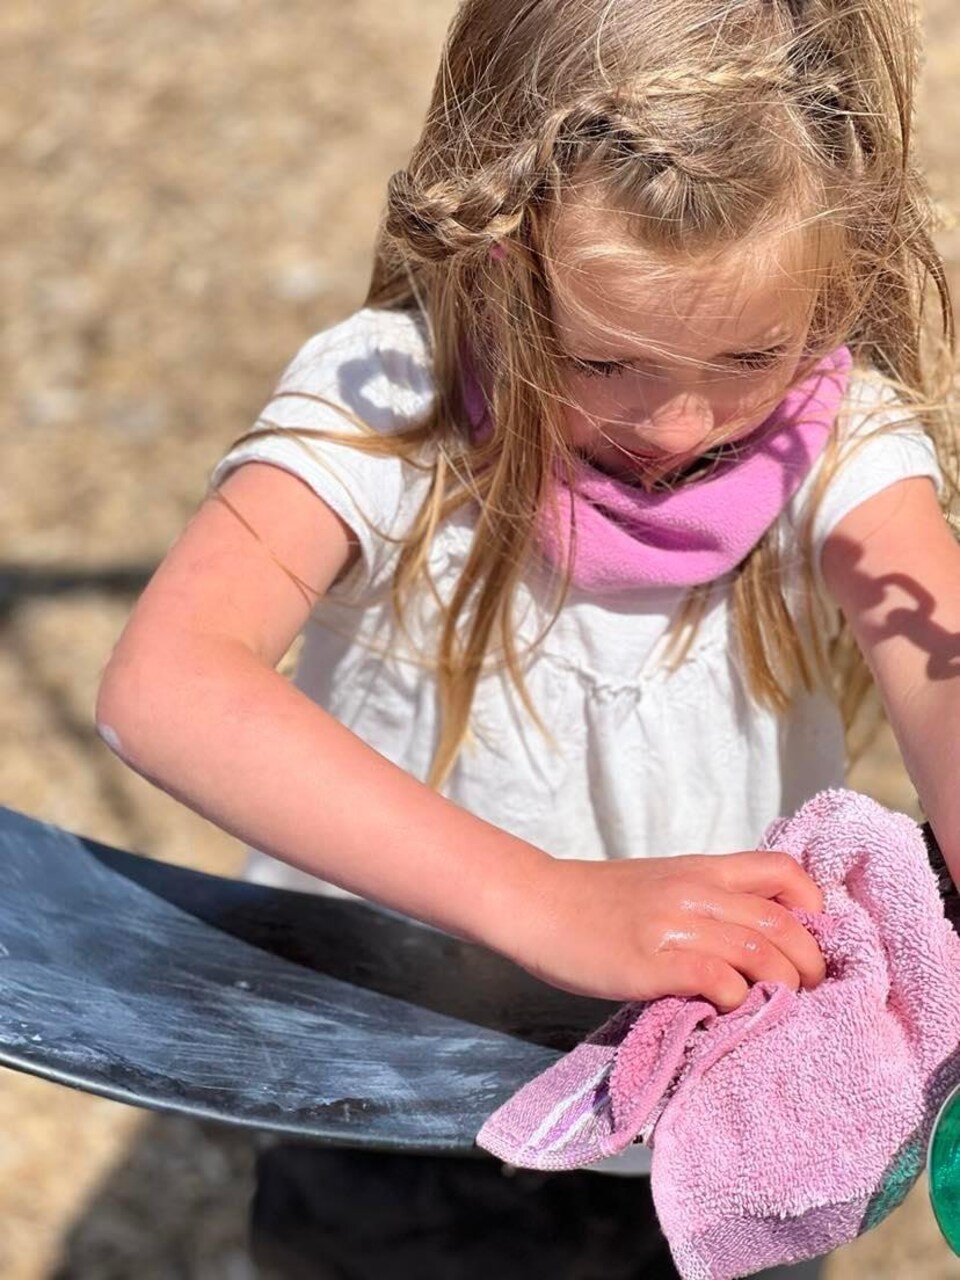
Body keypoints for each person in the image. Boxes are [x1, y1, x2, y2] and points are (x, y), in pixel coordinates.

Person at [95, 0, 959, 1276]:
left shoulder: (839, 437)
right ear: (497, 261)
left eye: (747, 353)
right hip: (388, 1073)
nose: (676, 422)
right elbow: (165, 683)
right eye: (606, 363)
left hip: (706, 1108)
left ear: (840, 284)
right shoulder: (393, 402)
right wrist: (540, 898)